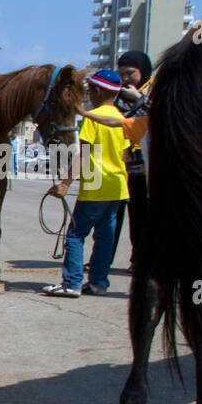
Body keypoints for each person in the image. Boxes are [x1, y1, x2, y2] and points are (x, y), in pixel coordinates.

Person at [41, 70, 130, 297]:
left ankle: (71, 283)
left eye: (90, 90)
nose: (89, 94)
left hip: (96, 187)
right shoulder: (121, 119)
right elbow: (125, 156)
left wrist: (66, 184)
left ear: (98, 91)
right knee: (105, 237)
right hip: (118, 187)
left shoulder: (93, 118)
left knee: (75, 234)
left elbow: (83, 155)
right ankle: (99, 283)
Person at [111, 49, 152, 263]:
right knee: (111, 217)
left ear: (142, 71)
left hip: (143, 169)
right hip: (119, 165)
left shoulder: (154, 91)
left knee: (140, 217)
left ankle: (140, 258)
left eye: (130, 73)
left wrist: (141, 100)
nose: (125, 79)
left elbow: (160, 118)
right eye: (121, 74)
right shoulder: (116, 95)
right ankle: (103, 258)